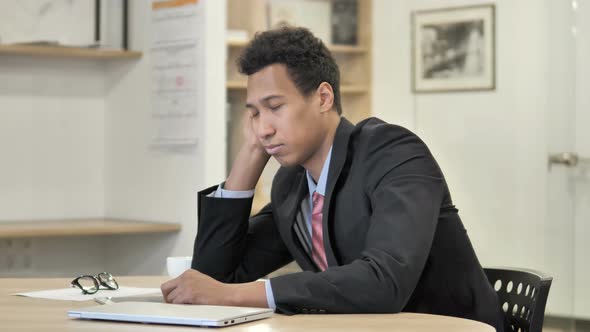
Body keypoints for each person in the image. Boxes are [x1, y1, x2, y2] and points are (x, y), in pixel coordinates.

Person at [161, 26, 505, 331]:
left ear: (323, 98)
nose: (263, 128)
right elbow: (213, 280)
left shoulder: (393, 152)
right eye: (254, 112)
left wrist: (234, 295)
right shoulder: (291, 184)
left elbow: (383, 282)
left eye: (275, 106)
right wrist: (250, 155)